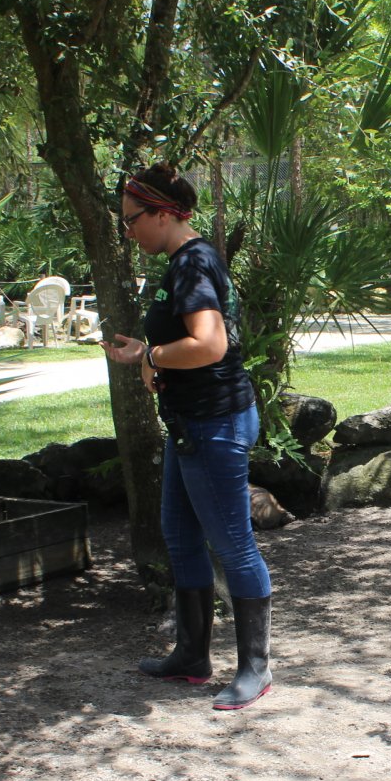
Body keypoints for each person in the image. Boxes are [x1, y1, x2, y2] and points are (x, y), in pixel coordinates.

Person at [102, 163, 272, 711]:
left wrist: (150, 356)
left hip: (214, 423)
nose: (127, 231)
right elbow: (186, 344)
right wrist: (149, 358)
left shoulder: (193, 262)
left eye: (132, 220)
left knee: (232, 544)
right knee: (179, 535)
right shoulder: (182, 262)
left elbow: (209, 345)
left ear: (163, 213)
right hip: (191, 423)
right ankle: (192, 655)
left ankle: (255, 669)